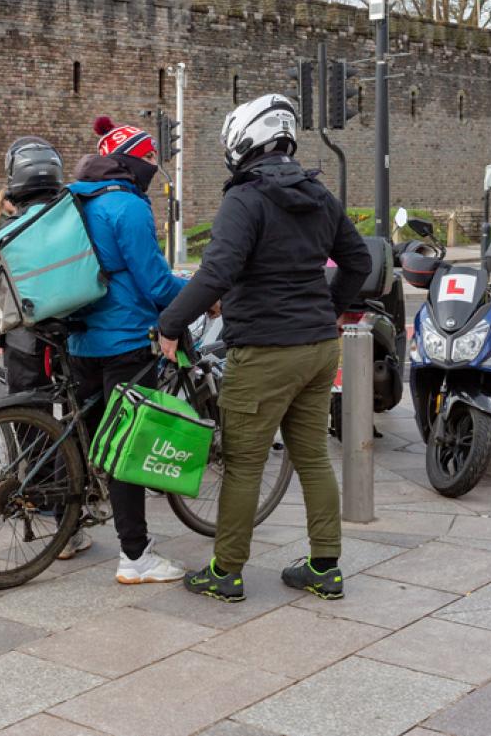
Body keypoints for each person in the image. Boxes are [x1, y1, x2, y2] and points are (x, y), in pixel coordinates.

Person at [157, 94, 372, 602]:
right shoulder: (320, 196)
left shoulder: (245, 198)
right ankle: (325, 567)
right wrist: (331, 309)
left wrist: (170, 323)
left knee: (244, 463)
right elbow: (359, 261)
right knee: (313, 457)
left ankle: (226, 572)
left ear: (243, 142)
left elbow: (217, 270)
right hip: (319, 347)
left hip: (264, 351)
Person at [64, 116, 188, 576]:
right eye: (151, 158)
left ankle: (66, 529)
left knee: (87, 439)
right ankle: (136, 556)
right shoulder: (128, 206)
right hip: (126, 340)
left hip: (80, 339)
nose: (156, 166)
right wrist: (197, 297)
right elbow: (153, 280)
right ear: (133, 160)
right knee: (127, 450)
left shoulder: (79, 199)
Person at [0, 137, 65, 395]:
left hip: (25, 340)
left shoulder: (8, 233)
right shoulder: (74, 220)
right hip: (74, 334)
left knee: (27, 412)